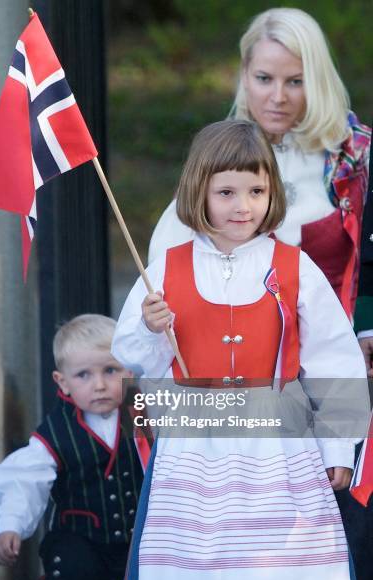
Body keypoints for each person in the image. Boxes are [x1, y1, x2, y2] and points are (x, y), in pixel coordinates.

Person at [112, 120, 370, 580]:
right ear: (198, 192)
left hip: (279, 448)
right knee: (196, 570)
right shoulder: (167, 265)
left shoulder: (295, 266)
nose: (242, 205)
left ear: (272, 191)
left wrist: (338, 443)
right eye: (226, 191)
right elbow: (132, 356)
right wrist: (148, 327)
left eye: (255, 189)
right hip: (195, 449)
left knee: (282, 573)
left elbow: (334, 356)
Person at [148, 7, 372, 366]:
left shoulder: (357, 156)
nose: (278, 97)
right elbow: (168, 263)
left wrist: (368, 326)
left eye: (295, 81)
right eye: (265, 78)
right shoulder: (219, 153)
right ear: (245, 76)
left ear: (318, 80)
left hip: (334, 356)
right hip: (237, 363)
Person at [0, 314, 149, 580]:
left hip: (132, 540)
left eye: (110, 370)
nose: (100, 385)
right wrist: (10, 525)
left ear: (128, 370)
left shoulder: (142, 412)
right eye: (84, 375)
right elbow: (25, 482)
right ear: (62, 383)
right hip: (79, 539)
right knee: (71, 573)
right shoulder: (55, 432)